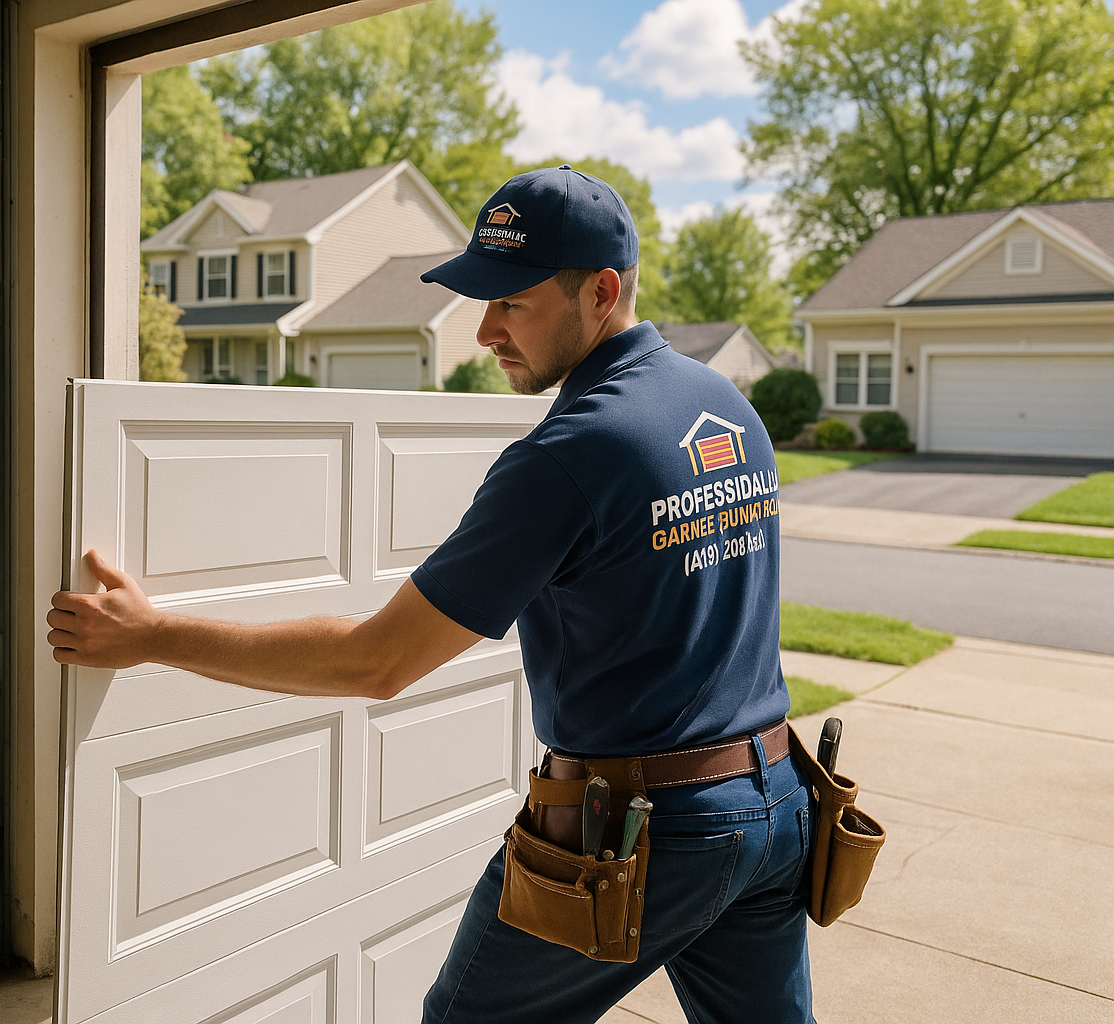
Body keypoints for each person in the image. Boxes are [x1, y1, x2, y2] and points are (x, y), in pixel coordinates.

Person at [48, 166, 812, 1024]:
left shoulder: (571, 454)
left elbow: (376, 662)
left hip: (640, 835)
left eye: (512, 303)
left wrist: (152, 634)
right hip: (774, 806)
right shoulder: (729, 410)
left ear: (601, 292)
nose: (484, 330)